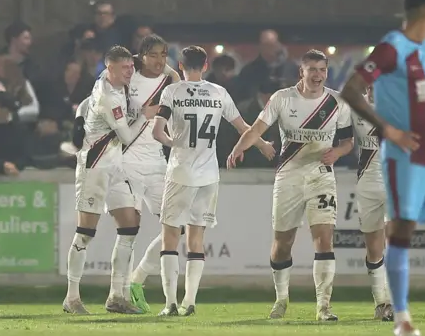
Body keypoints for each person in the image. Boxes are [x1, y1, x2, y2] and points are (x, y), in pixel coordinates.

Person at [337, 0, 425, 336]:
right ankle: (402, 321)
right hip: (405, 157)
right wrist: (389, 130)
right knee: (402, 231)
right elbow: (351, 90)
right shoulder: (391, 47)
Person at [227, 49, 354, 322]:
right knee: (283, 243)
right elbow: (257, 129)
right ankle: (281, 299)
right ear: (302, 71)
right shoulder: (282, 98)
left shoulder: (336, 103)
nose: (318, 75)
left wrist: (338, 153)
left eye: (322, 70)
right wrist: (239, 148)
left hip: (321, 176)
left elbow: (347, 142)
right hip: (289, 176)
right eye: (312, 70)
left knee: (324, 239)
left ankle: (323, 307)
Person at [152, 46, 274, 316]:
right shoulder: (219, 93)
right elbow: (244, 126)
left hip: (181, 172)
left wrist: (175, 143)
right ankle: (190, 302)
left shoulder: (172, 92)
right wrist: (263, 144)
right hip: (209, 175)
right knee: (197, 238)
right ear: (205, 66)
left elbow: (157, 131)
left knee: (170, 237)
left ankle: (170, 303)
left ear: (181, 65)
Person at [63, 45, 158, 315]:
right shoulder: (109, 98)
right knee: (85, 233)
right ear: (110, 68)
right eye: (126, 68)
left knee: (130, 225)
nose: (131, 71)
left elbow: (83, 103)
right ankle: (71, 298)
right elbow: (128, 138)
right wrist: (144, 116)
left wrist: (79, 119)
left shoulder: (108, 83)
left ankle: (117, 296)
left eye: (131, 66)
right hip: (95, 167)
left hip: (115, 167)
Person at [97, 35, 178, 311]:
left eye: (164, 55)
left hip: (157, 164)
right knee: (128, 231)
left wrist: (171, 70)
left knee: (177, 226)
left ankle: (137, 278)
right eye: (153, 55)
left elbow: (175, 79)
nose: (159, 60)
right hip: (126, 163)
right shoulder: (126, 81)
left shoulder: (170, 82)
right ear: (140, 56)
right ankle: (115, 295)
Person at [351, 85, 394, 321]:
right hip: (367, 185)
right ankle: (381, 303)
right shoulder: (356, 107)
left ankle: (394, 304)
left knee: (396, 243)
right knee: (374, 249)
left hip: (396, 183)